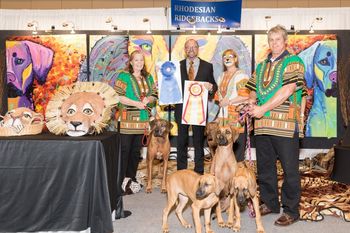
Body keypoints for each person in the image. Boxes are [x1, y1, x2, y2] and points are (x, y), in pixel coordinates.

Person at [246, 25, 306, 226]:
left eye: (278, 40)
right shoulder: (261, 65)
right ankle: (270, 202)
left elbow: (289, 89)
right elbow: (253, 89)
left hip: (286, 125)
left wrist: (263, 109)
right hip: (262, 125)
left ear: (285, 41)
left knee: (290, 169)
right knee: (264, 167)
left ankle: (291, 210)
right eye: (271, 40)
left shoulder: (294, 62)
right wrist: (253, 102)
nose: (274, 43)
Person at [114, 50, 158, 195]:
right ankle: (119, 180)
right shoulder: (124, 76)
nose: (139, 63)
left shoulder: (148, 77)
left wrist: (148, 100)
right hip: (126, 121)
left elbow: (154, 94)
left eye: (141, 60)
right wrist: (136, 103)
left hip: (142, 121)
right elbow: (118, 97)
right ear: (131, 62)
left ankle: (131, 179)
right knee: (124, 151)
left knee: (135, 152)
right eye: (136, 60)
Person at [174, 38, 218, 175]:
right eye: (188, 47)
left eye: (194, 47)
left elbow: (214, 86)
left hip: (199, 109)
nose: (191, 49)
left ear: (198, 49)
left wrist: (211, 88)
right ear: (185, 50)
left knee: (199, 141)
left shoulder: (207, 66)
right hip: (182, 108)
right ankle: (181, 171)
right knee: (182, 140)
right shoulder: (177, 66)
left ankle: (199, 171)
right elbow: (172, 86)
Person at [216, 49, 250, 162]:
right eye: (224, 57)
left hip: (236, 116)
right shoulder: (221, 76)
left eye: (230, 56)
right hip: (223, 118)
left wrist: (229, 101)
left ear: (235, 59)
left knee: (237, 149)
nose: (227, 58)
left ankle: (238, 176)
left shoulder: (242, 76)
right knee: (223, 150)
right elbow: (220, 99)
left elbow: (246, 96)